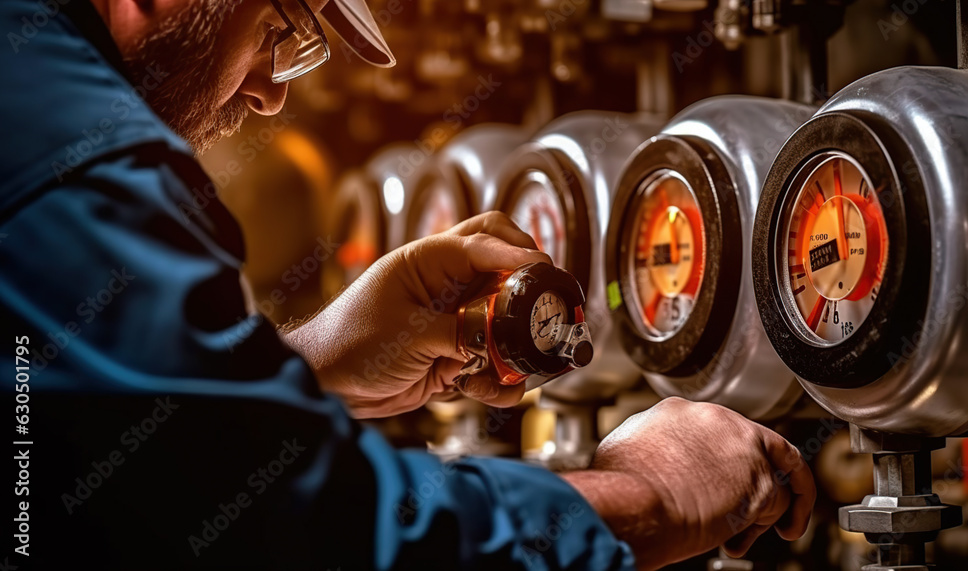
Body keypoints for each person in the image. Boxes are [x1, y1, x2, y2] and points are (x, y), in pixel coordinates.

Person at [0, 1, 815, 569]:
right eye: (280, 29)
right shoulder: (83, 161)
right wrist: (653, 496)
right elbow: (306, 532)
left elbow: (56, 431)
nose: (271, 89)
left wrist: (311, 364)